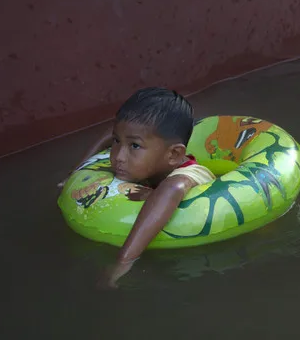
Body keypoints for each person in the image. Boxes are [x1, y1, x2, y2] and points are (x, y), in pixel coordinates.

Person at [59, 87, 214, 287]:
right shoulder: (141, 160)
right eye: (117, 142)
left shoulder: (189, 176)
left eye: (134, 146)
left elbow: (171, 190)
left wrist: (123, 262)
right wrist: (74, 172)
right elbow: (109, 133)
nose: (118, 157)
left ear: (174, 154)